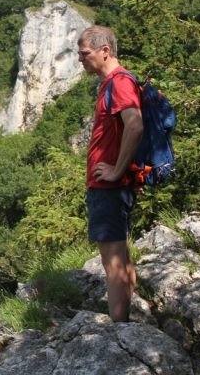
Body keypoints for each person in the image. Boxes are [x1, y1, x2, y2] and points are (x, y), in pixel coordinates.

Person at [77, 25, 142, 322]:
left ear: (105, 51)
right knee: (121, 253)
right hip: (110, 185)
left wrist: (116, 171)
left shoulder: (119, 82)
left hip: (109, 187)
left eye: (84, 53)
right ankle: (131, 319)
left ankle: (120, 331)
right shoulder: (110, 84)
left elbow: (135, 125)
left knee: (113, 260)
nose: (80, 59)